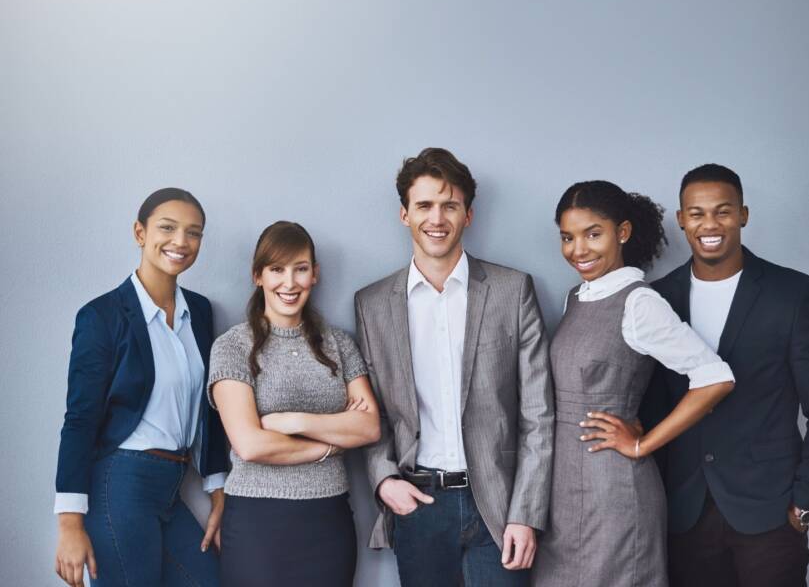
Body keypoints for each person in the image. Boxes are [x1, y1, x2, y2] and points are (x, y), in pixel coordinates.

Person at [640, 164, 809, 587]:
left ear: (743, 215)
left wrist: (806, 503)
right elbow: (653, 405)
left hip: (771, 514)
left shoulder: (792, 293)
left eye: (723, 211)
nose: (710, 224)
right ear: (681, 220)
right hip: (684, 514)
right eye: (696, 213)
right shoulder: (658, 299)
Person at [355, 148, 554, 586]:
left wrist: (526, 513)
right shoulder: (372, 304)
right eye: (424, 205)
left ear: (468, 215)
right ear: (404, 214)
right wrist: (384, 480)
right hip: (418, 502)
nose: (437, 218)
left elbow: (538, 415)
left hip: (499, 507)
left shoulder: (513, 290)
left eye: (450, 206)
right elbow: (372, 412)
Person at [532, 180, 736, 587]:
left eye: (593, 234)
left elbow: (715, 378)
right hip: (563, 490)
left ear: (622, 232)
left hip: (614, 492)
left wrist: (642, 444)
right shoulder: (576, 297)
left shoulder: (639, 302)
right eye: (568, 237)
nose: (578, 250)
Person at [53, 188, 228, 587]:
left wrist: (217, 490)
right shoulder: (102, 316)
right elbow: (79, 419)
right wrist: (69, 523)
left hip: (172, 484)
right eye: (167, 227)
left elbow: (210, 407)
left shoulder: (200, 311)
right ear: (140, 233)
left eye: (193, 232)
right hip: (120, 484)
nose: (181, 241)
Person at [208, 220, 380, 587]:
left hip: (328, 520)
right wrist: (330, 445)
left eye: (300, 269)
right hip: (257, 523)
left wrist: (293, 421)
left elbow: (368, 427)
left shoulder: (339, 344)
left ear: (314, 274)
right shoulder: (232, 346)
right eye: (277, 269)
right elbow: (250, 445)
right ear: (258, 276)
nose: (289, 283)